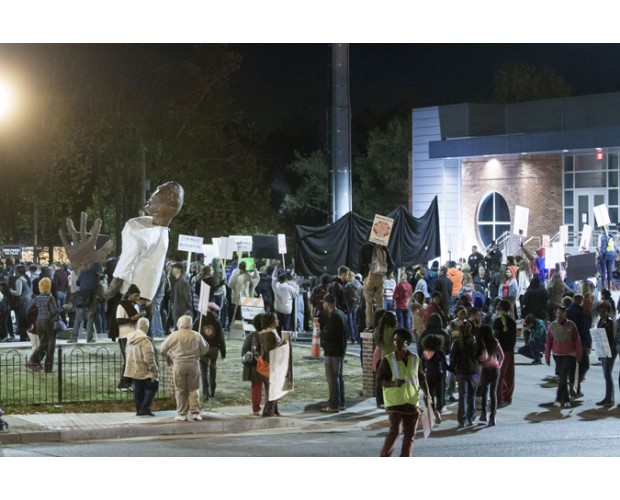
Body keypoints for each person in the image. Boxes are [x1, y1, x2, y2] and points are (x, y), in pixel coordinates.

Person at [104, 182, 184, 302]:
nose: (151, 199)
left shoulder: (140, 233)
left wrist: (109, 291)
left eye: (156, 197)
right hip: (144, 297)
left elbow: (126, 265)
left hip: (130, 296)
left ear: (169, 206)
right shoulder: (159, 231)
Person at [376, 327, 430, 457]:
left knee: (410, 436)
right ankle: (384, 456)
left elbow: (421, 377)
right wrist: (394, 383)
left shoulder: (415, 359)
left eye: (399, 340)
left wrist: (427, 394)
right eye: (395, 340)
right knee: (395, 431)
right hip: (395, 402)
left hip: (411, 402)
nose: (396, 343)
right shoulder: (388, 360)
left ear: (407, 342)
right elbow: (380, 381)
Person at [160, 314, 209, 421]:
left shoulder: (174, 335)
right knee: (194, 389)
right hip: (193, 364)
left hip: (178, 364)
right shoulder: (196, 335)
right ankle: (195, 411)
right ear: (190, 324)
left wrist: (168, 355)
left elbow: (162, 348)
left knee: (180, 390)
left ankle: (182, 413)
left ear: (179, 324)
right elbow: (205, 349)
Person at [545, 306, 582, 408]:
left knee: (563, 376)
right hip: (557, 355)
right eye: (557, 313)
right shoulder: (552, 326)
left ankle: (563, 399)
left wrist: (579, 354)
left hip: (569, 354)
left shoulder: (571, 325)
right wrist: (547, 356)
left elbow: (577, 340)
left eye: (561, 313)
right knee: (562, 377)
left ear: (565, 313)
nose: (559, 315)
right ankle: (562, 399)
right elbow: (548, 342)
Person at [124, 317, 159, 416]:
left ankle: (139, 409)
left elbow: (126, 352)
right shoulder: (145, 340)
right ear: (147, 327)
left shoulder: (130, 339)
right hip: (145, 370)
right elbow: (148, 356)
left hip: (134, 370)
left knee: (138, 390)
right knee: (152, 387)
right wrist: (154, 368)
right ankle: (145, 408)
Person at [449, 320, 481, 427]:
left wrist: (453, 371)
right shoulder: (475, 342)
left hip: (462, 372)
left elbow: (453, 359)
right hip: (474, 371)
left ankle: (462, 419)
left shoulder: (457, 344)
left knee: (462, 396)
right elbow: (479, 357)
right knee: (472, 395)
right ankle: (471, 417)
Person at [320, 294, 349, 412]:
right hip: (340, 350)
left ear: (329, 303)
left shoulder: (333, 317)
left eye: (324, 303)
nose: (323, 305)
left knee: (332, 378)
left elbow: (328, 335)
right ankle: (341, 402)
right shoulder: (342, 314)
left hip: (332, 351)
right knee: (339, 377)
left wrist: (323, 341)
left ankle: (333, 404)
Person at [116, 284, 146, 391]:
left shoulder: (134, 305)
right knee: (127, 360)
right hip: (124, 336)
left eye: (138, 296)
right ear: (129, 295)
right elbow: (119, 320)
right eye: (135, 296)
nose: (137, 298)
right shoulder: (121, 306)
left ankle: (129, 383)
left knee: (132, 360)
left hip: (133, 336)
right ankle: (122, 384)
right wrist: (133, 318)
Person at [193, 307, 226, 401]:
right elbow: (221, 338)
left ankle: (206, 393)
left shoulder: (199, 321)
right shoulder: (217, 322)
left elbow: (193, 333)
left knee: (204, 372)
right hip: (214, 349)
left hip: (203, 349)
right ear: (214, 311)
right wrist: (223, 351)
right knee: (213, 369)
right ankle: (212, 390)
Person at [359, 241, 394, 331]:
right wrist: (386, 274)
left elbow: (360, 265)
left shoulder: (365, 247)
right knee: (380, 303)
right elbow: (391, 264)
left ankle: (370, 325)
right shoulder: (383, 247)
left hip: (369, 277)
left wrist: (365, 275)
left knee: (369, 303)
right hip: (381, 277)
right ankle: (380, 323)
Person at [25, 277, 58, 373]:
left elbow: (28, 311)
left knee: (43, 344)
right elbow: (53, 312)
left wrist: (33, 320)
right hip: (48, 322)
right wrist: (62, 309)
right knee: (50, 346)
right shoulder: (50, 298)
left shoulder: (37, 298)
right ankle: (48, 368)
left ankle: (32, 362)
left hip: (39, 322)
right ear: (49, 287)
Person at [566, 293, 592, 398]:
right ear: (581, 301)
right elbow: (585, 330)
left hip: (568, 343)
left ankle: (575, 389)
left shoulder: (567, 312)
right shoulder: (583, 314)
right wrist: (588, 344)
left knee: (573, 367)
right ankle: (575, 386)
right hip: (580, 343)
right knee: (584, 365)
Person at [478, 324, 504, 426]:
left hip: (485, 369)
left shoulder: (481, 343)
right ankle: (493, 417)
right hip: (495, 369)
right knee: (493, 393)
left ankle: (484, 414)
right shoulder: (495, 341)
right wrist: (499, 366)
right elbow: (502, 356)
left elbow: (480, 358)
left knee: (484, 392)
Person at [69, 262, 101, 343]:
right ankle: (89, 339)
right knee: (90, 319)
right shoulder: (97, 276)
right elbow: (96, 286)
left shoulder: (83, 273)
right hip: (91, 298)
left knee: (78, 319)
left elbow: (78, 283)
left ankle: (73, 338)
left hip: (81, 298)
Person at [258, 312, 283, 417]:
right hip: (271, 365)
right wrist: (281, 345)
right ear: (271, 322)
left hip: (269, 364)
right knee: (273, 389)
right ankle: (268, 411)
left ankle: (274, 409)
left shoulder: (267, 332)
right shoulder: (269, 333)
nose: (278, 321)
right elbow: (269, 349)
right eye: (276, 319)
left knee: (273, 388)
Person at [242, 313, 267, 416]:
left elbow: (243, 352)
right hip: (265, 365)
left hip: (255, 366)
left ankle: (256, 409)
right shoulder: (269, 335)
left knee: (256, 387)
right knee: (269, 387)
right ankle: (269, 408)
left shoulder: (251, 336)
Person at [493, 299, 517, 406]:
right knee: (509, 375)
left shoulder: (498, 320)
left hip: (501, 351)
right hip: (510, 350)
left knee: (500, 374)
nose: (497, 307)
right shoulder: (512, 320)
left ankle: (499, 398)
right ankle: (508, 396)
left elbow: (496, 336)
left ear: (501, 307)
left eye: (498, 305)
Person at [420, 332, 448, 415]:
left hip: (428, 374)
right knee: (439, 392)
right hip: (438, 374)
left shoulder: (424, 353)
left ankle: (431, 408)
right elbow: (444, 365)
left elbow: (422, 364)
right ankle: (439, 408)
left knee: (430, 392)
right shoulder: (440, 352)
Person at [596, 300, 616, 406]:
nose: (601, 313)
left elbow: (612, 338)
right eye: (600, 311)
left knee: (607, 374)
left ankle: (609, 398)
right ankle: (608, 397)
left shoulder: (610, 322)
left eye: (603, 311)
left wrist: (610, 352)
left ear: (608, 311)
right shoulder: (601, 320)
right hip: (603, 349)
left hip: (609, 350)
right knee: (606, 374)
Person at [271, 264, 299, 334]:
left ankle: (278, 339)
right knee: (286, 327)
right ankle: (286, 341)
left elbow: (273, 278)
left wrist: (275, 268)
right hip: (287, 310)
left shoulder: (276, 285)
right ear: (286, 279)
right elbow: (296, 293)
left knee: (278, 326)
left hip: (278, 308)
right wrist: (296, 283)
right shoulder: (289, 288)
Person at [9, 264, 33, 341]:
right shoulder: (27, 278)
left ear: (18, 272)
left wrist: (11, 291)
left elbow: (18, 293)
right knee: (28, 320)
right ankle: (30, 336)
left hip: (24, 301)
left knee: (22, 320)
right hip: (30, 301)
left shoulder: (19, 280)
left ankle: (23, 337)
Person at [169, 262, 194, 329]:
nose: (172, 270)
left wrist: (189, 307)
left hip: (181, 309)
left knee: (179, 328)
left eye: (174, 268)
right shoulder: (177, 280)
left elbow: (187, 297)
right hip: (177, 308)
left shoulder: (183, 281)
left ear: (179, 270)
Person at [344, 271, 362, 343]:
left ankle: (352, 337)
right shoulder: (360, 285)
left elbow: (345, 296)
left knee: (350, 321)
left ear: (349, 276)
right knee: (355, 321)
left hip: (350, 305)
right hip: (357, 304)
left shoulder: (348, 286)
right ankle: (357, 337)